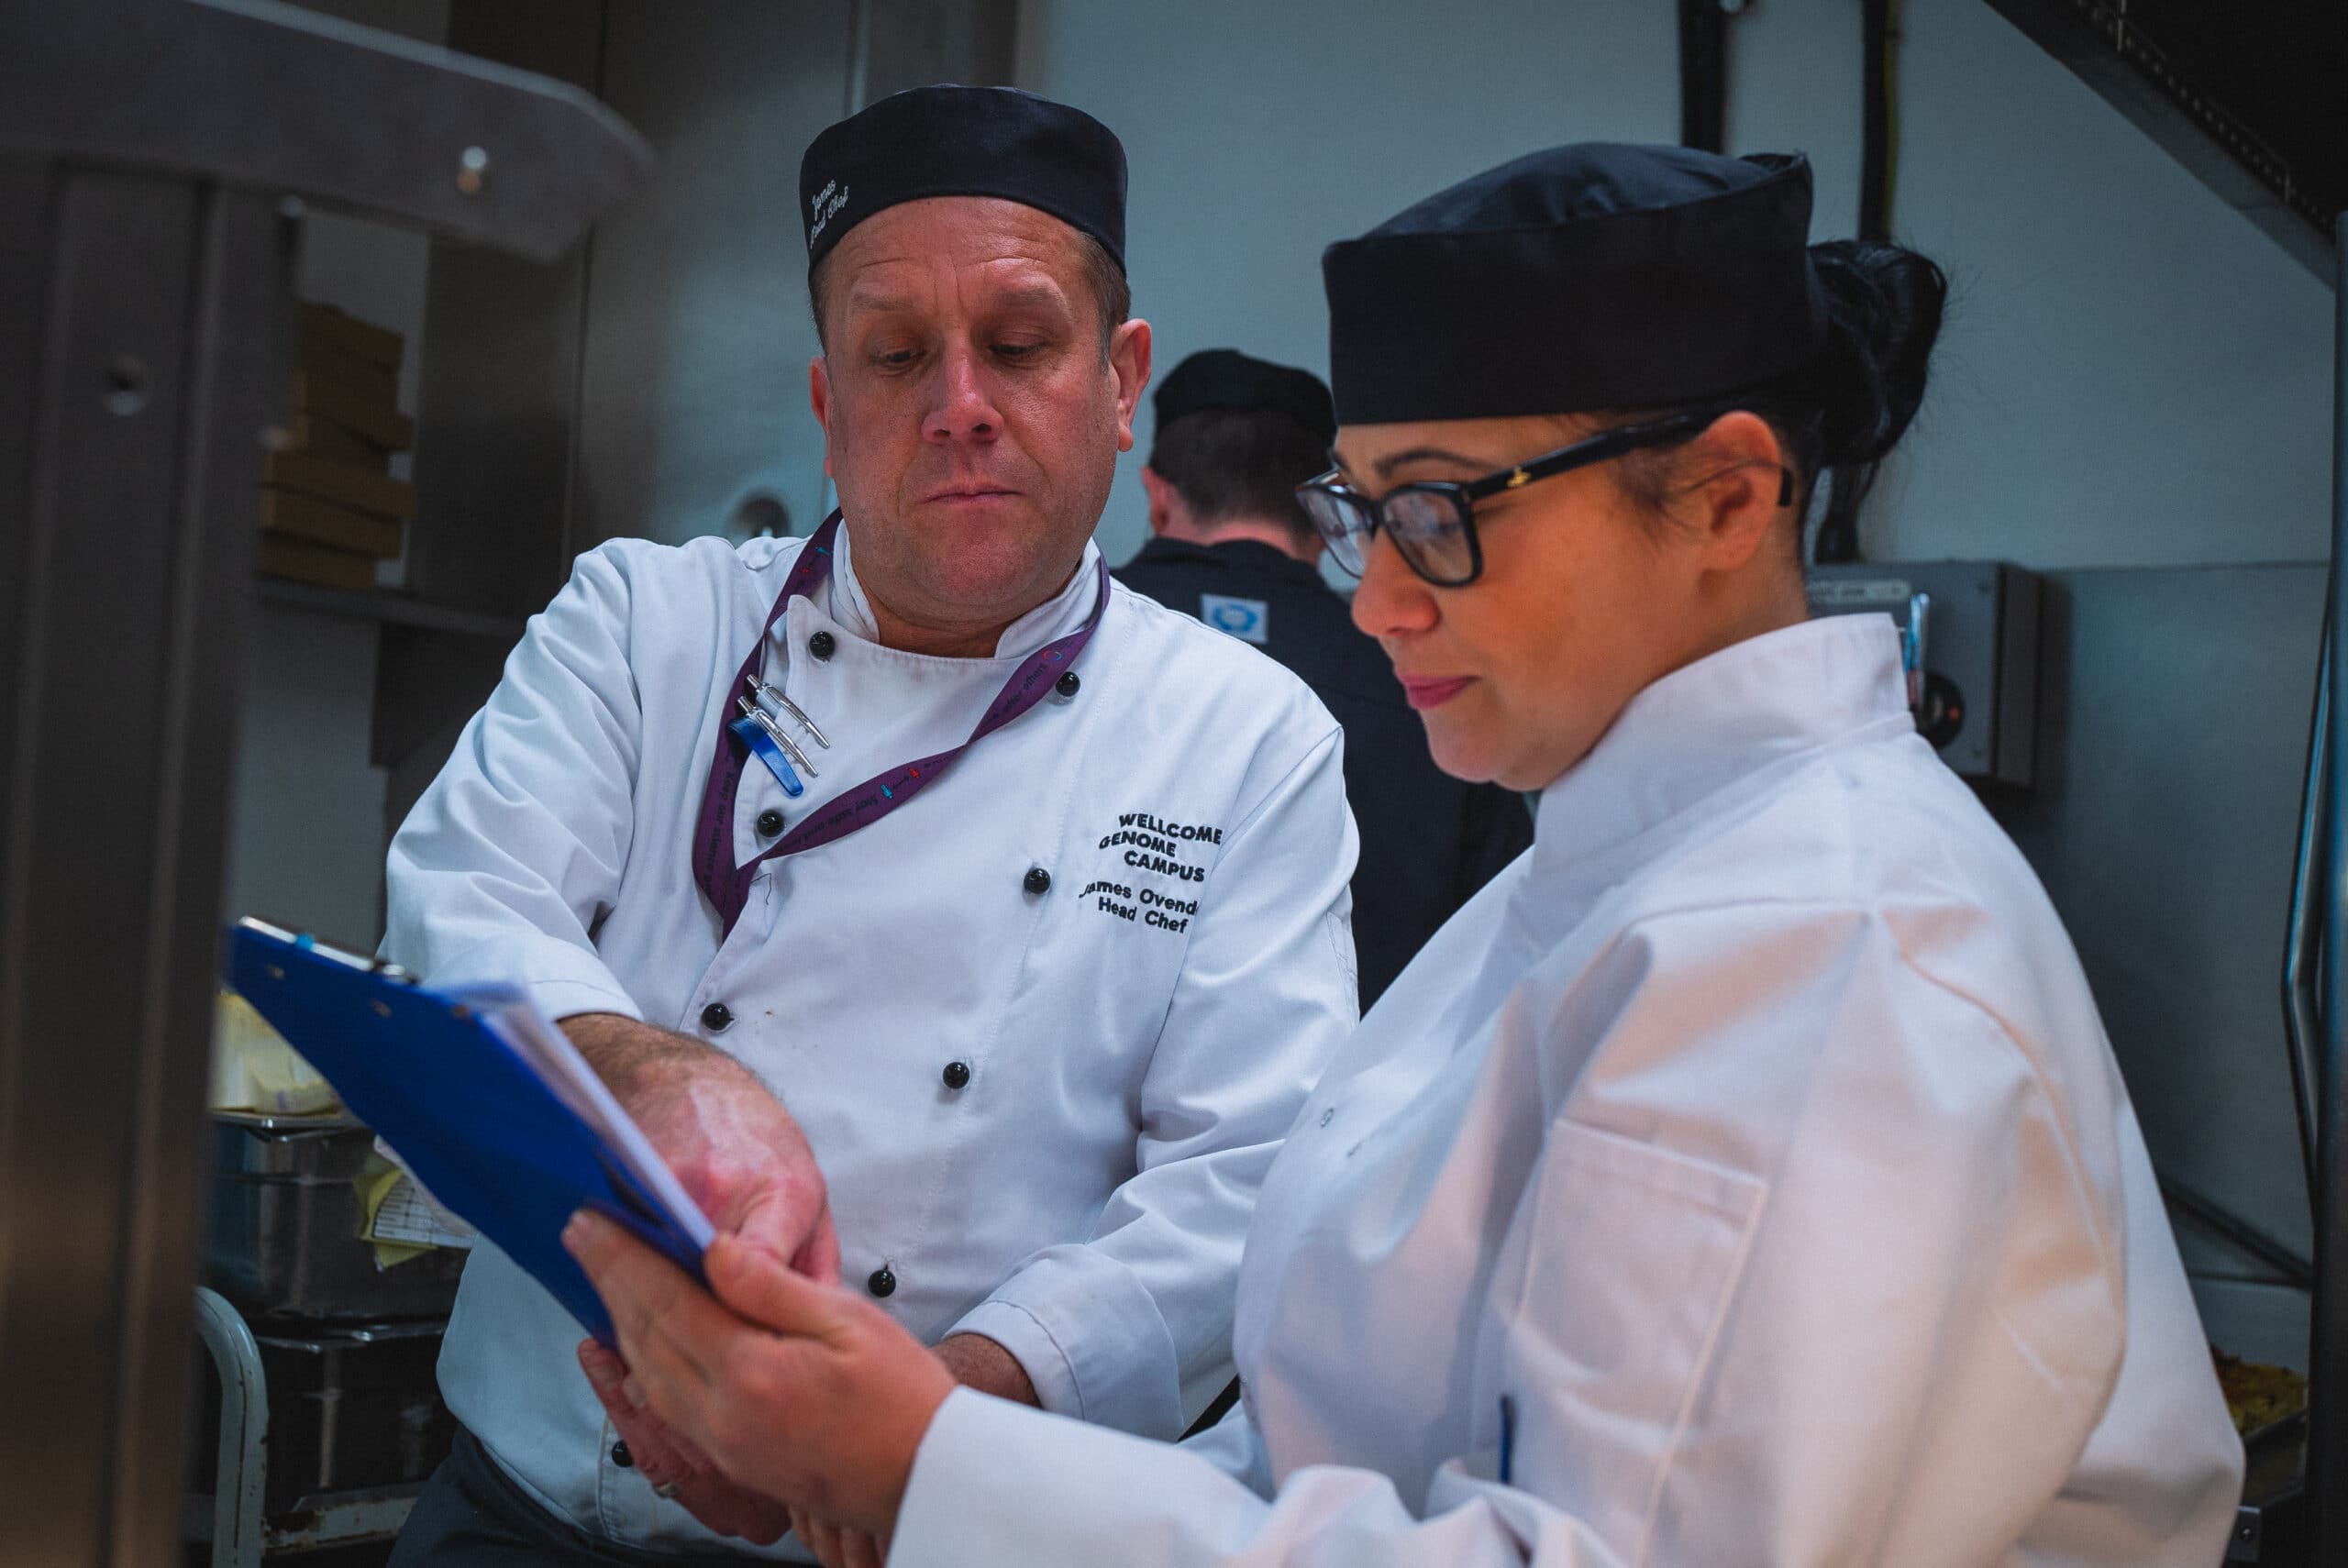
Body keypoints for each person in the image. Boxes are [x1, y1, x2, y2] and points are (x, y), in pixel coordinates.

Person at [565, 141, 2246, 1567]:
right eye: (1365, 513)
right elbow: (1328, 1468)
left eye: (1440, 513)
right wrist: (928, 1456)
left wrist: (934, 1462)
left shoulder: (1831, 940)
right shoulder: (1588, 878)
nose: (1372, 604)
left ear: (1731, 499)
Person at [382, 84, 1360, 1564]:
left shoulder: (1246, 737)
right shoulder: (642, 622)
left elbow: (1244, 1182)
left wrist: (920, 1426)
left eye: (1020, 344)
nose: (960, 402)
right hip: (524, 1513)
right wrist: (652, 1071)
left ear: (1120, 383)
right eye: (895, 354)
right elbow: (462, 908)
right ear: (830, 406)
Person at [1116, 349, 1532, 1006]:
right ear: (1323, 512)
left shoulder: (1049, 649)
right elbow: (1507, 946)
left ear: (1158, 496)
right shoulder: (1430, 675)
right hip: (1373, 1068)